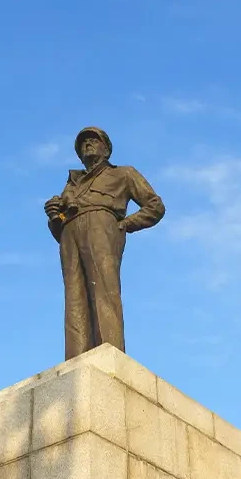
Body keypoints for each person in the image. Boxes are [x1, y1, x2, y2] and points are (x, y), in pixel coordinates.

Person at [43, 127, 166, 360]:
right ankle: (76, 359)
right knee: (74, 297)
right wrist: (54, 216)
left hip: (102, 227)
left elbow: (155, 206)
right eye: (84, 142)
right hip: (70, 233)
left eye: (94, 140)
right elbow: (58, 231)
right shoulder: (72, 184)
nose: (88, 144)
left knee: (104, 291)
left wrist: (126, 224)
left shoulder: (123, 174)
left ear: (106, 149)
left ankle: (110, 354)